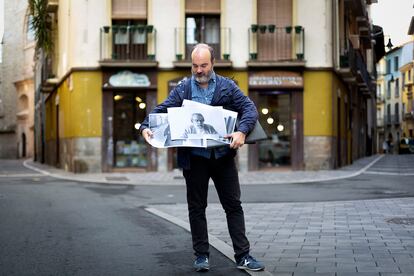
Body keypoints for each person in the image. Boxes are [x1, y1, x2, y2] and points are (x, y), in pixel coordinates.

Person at [140, 43, 265, 272]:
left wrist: (242, 131)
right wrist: (146, 125)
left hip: (222, 158)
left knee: (233, 205)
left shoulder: (228, 87)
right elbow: (162, 109)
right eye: (195, 66)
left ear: (213, 63)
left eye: (204, 65)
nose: (199, 70)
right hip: (194, 160)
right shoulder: (183, 88)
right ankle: (201, 256)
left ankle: (243, 255)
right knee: (196, 208)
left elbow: (250, 109)